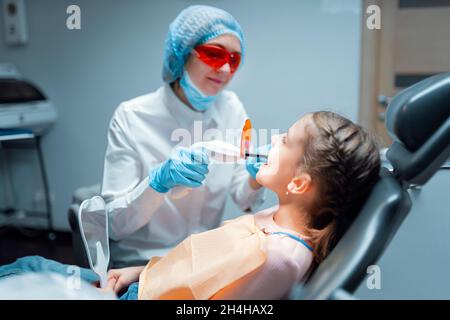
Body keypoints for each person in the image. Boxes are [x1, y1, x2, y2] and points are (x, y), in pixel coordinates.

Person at [0, 111, 380, 300]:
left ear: (298, 183)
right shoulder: (277, 221)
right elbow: (201, 271)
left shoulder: (280, 257)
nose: (274, 137)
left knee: (26, 271)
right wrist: (139, 271)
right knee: (25, 268)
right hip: (140, 283)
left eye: (285, 140)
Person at [101, 5, 268, 267]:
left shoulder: (231, 108)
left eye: (234, 60)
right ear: (180, 55)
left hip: (202, 262)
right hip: (142, 264)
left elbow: (243, 197)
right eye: (214, 54)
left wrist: (256, 178)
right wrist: (157, 184)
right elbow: (113, 226)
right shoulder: (132, 117)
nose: (225, 69)